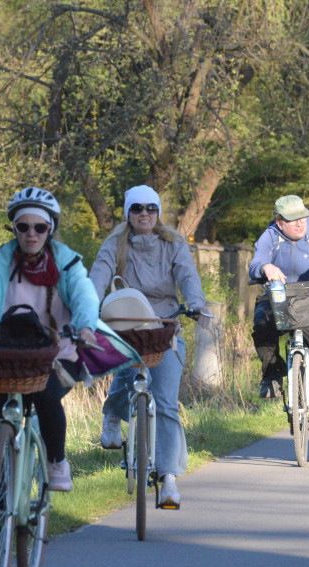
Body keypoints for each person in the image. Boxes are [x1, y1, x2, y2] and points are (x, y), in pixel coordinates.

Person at [0, 186, 131, 554]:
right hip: (9, 351)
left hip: (58, 348)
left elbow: (83, 296)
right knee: (2, 430)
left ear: (51, 229)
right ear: (13, 229)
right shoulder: (0, 262)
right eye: (22, 227)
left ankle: (56, 460)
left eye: (39, 228)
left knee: (47, 396)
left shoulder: (67, 262)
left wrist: (85, 326)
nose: (31, 234)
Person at [89, 185, 209, 508]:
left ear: (158, 213)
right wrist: (86, 305)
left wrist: (195, 303)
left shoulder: (173, 243)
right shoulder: (115, 244)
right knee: (125, 375)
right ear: (128, 213)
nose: (144, 214)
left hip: (164, 328)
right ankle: (112, 415)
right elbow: (99, 275)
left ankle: (169, 479)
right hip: (126, 324)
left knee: (167, 402)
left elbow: (187, 276)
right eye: (137, 208)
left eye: (151, 209)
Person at [248, 195, 309, 453]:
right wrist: (267, 267)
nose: (300, 223)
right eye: (293, 220)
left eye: (303, 216)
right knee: (261, 324)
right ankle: (272, 375)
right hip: (279, 301)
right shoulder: (270, 236)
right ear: (279, 222)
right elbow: (256, 263)